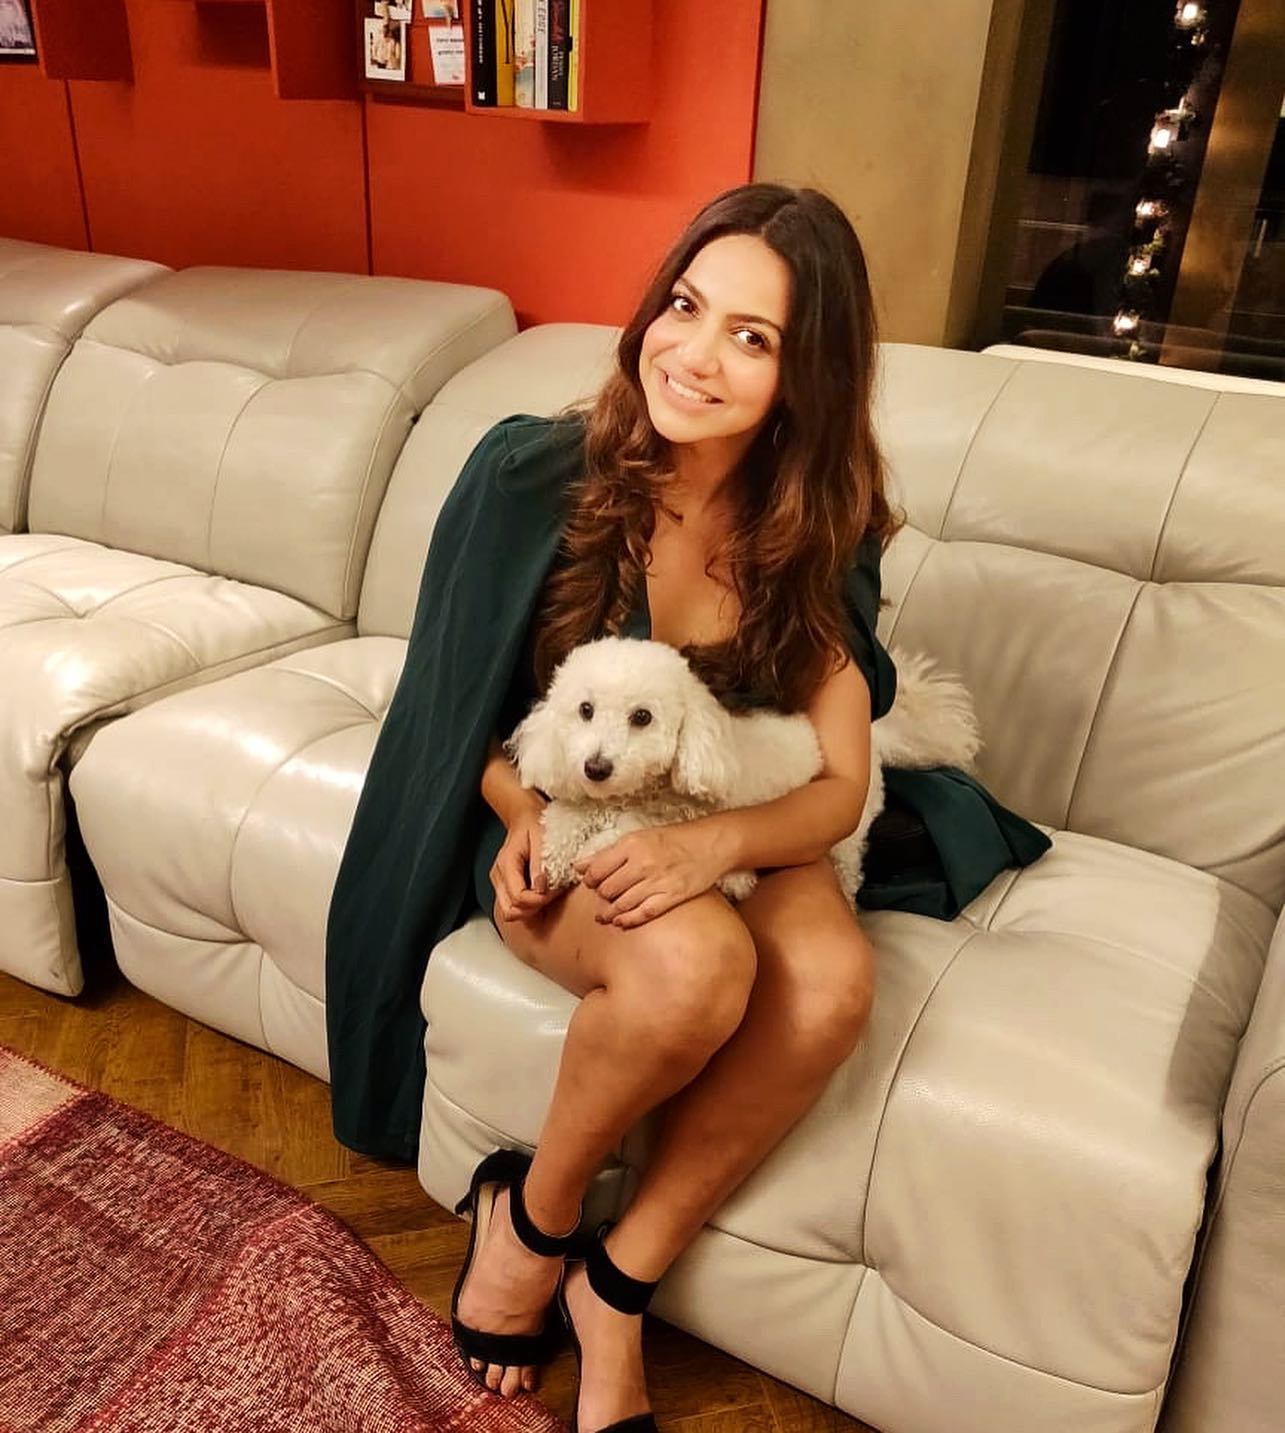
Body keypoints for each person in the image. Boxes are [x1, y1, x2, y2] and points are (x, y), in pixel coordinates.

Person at [325, 183, 1049, 1433]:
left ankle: (617, 1278)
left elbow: (837, 783)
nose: (695, 355)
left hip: (740, 805)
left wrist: (711, 841)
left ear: (806, 376)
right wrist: (519, 813)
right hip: (569, 813)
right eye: (684, 306)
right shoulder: (525, 476)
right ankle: (533, 1218)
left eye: (751, 337)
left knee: (831, 984)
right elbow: (450, 714)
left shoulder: (822, 524)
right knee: (695, 968)